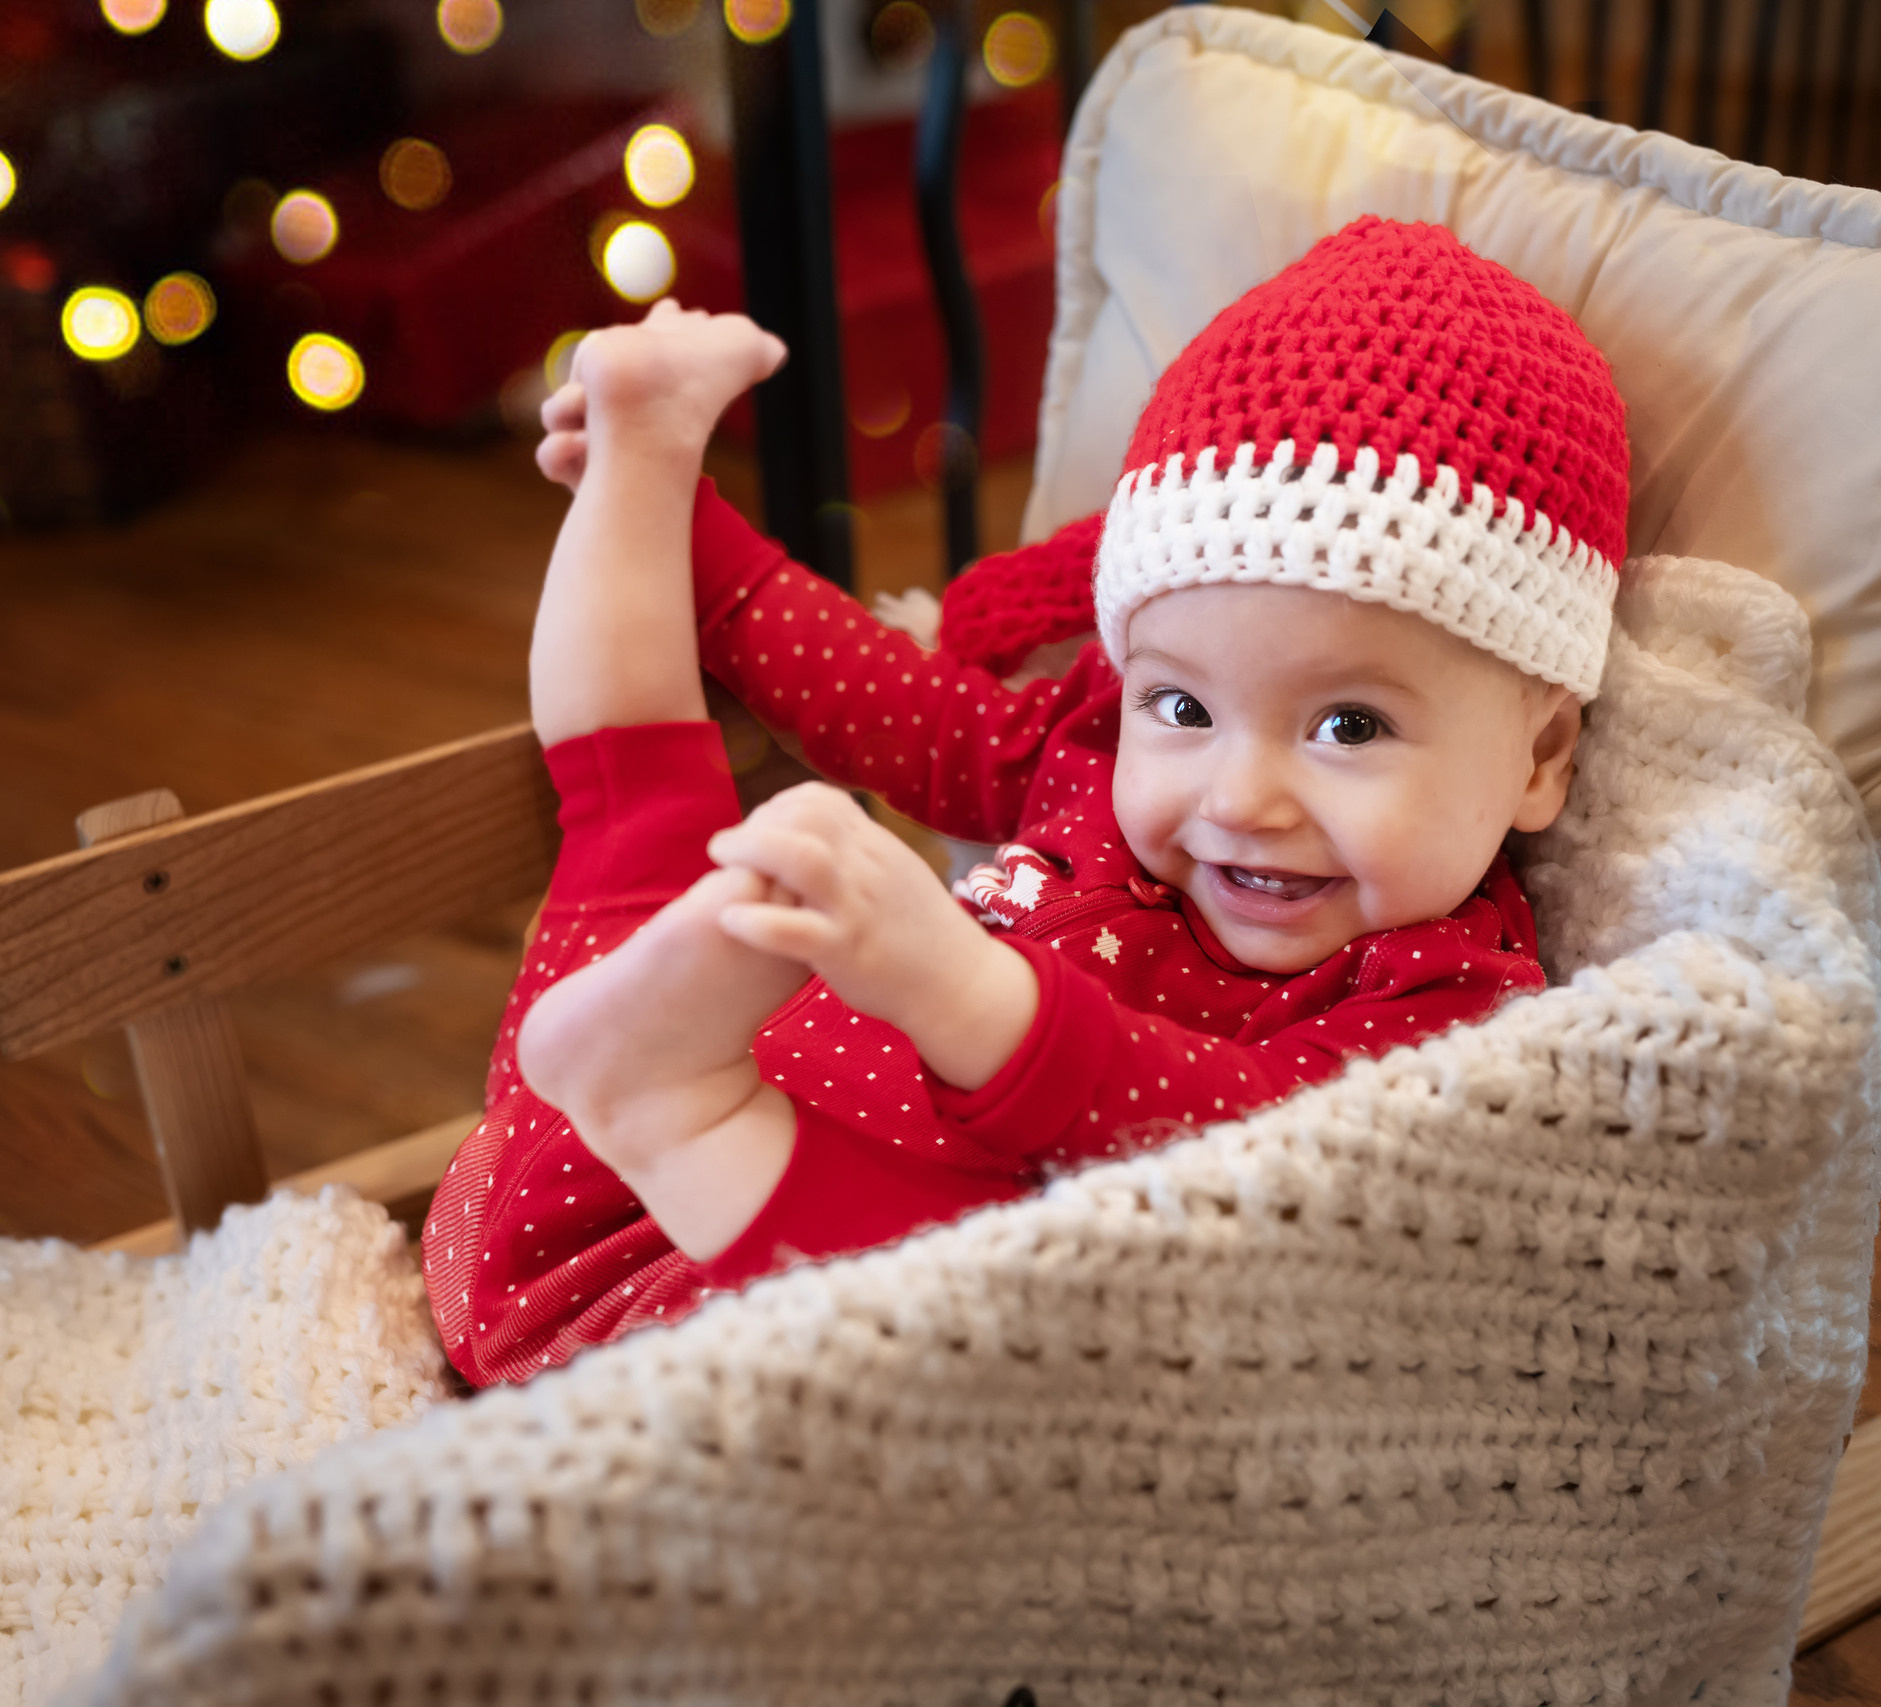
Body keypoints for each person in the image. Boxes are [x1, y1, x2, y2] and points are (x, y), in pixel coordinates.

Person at [420, 216, 1631, 1387]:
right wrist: (670, 520)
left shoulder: (1445, 1004)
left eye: (1348, 727)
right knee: (635, 810)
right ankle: (648, 441)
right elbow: (856, 686)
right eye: (1183, 707)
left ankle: (678, 1107)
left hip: (750, 1286)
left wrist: (952, 987)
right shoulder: (1089, 746)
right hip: (567, 1165)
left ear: (1538, 758)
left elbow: (1259, 1161)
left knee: (1039, 1324)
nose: (1241, 797)